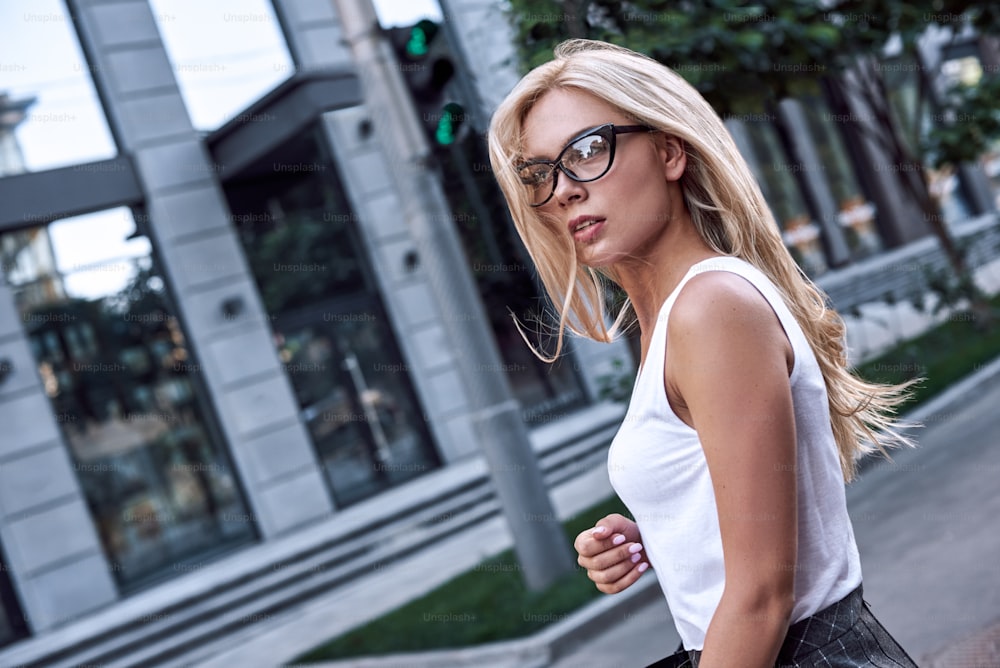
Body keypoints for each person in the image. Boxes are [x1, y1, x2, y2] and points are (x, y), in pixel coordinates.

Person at [487, 39, 918, 667]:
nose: (562, 191)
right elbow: (751, 548)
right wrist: (658, 537)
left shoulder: (710, 309)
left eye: (587, 151)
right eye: (541, 172)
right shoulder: (680, 312)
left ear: (669, 151)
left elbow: (762, 597)